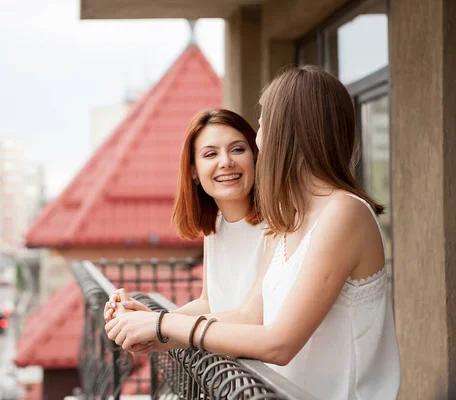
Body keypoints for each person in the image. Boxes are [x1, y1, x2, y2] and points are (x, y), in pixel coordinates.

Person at [105, 65, 400, 399]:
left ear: (288, 132)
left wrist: (164, 326)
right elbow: (249, 316)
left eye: (262, 124)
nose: (257, 138)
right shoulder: (288, 219)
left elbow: (279, 343)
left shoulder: (344, 213)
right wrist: (154, 328)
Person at [103, 108, 267, 353]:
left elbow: (254, 318)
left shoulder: (279, 225)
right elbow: (208, 303)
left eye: (238, 149)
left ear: (254, 157)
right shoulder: (215, 226)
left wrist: (160, 325)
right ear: (194, 171)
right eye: (211, 154)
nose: (226, 162)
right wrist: (150, 323)